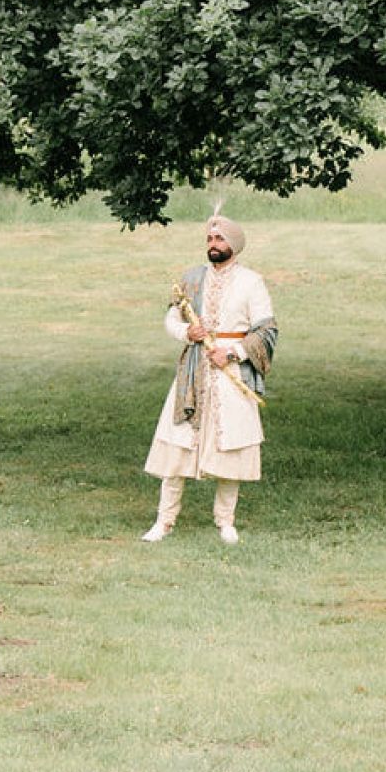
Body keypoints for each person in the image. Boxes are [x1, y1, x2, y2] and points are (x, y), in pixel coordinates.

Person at [141, 211, 276, 545]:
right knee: (177, 447)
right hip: (193, 372)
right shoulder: (191, 279)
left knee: (231, 447)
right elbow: (171, 320)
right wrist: (189, 331)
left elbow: (267, 330)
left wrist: (232, 353)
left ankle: (225, 522)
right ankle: (164, 521)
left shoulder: (251, 282)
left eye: (220, 239)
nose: (213, 245)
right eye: (210, 239)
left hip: (229, 373)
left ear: (234, 244)